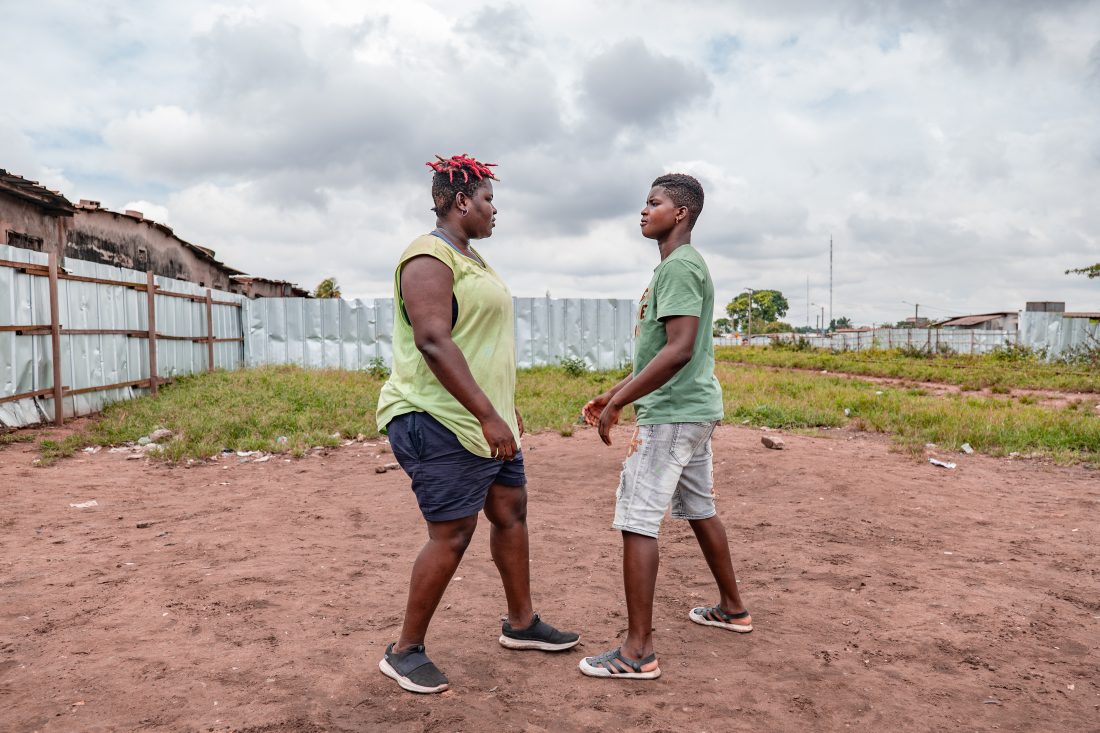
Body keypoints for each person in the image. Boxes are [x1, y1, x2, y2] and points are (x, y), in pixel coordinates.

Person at [375, 154, 579, 694]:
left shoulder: (475, 261)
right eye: (488, 199)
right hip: (438, 417)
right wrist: (486, 413)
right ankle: (404, 651)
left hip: (486, 420)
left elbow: (483, 344)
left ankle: (521, 624)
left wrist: (504, 407)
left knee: (510, 512)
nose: (495, 209)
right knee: (453, 533)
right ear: (461, 201)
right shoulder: (428, 256)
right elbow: (433, 341)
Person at [578, 173, 751, 680]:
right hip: (692, 409)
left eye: (653, 203)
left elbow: (678, 351)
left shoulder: (678, 267)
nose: (643, 210)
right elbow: (663, 351)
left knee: (637, 519)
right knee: (699, 508)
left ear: (681, 214)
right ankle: (733, 608)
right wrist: (613, 392)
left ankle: (637, 652)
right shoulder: (680, 267)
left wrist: (620, 408)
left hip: (673, 414)